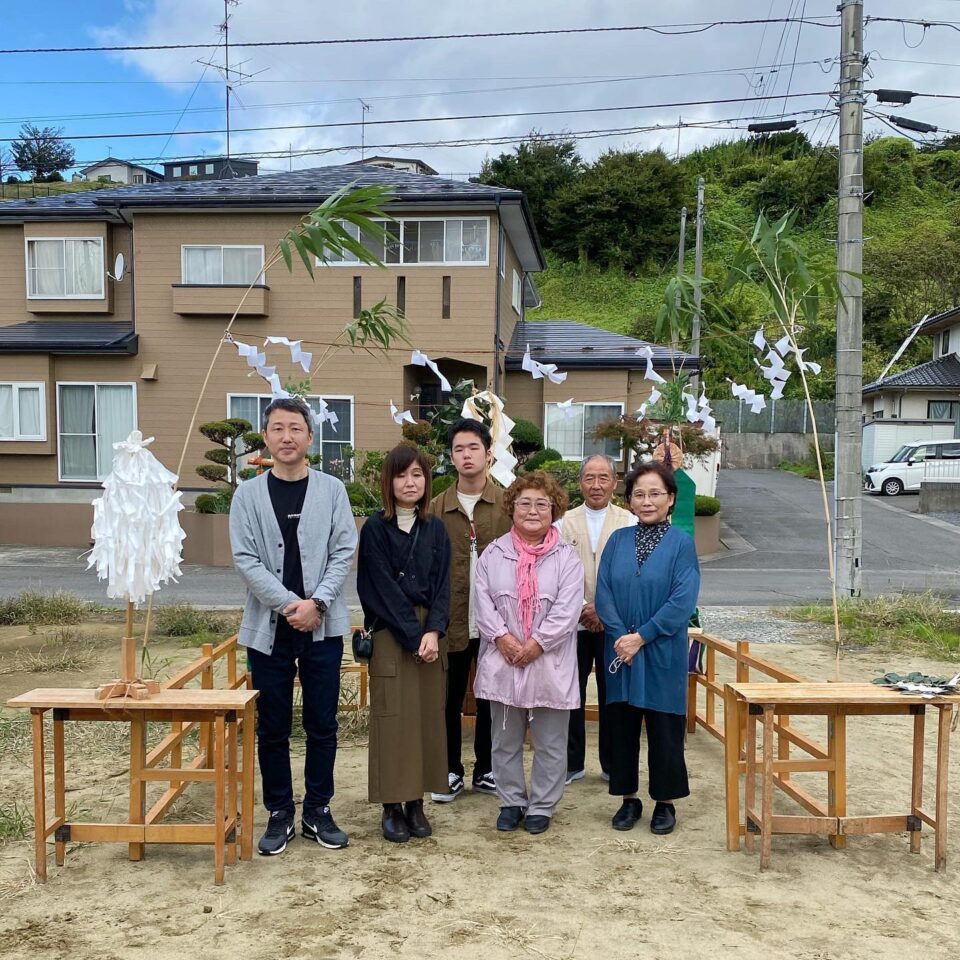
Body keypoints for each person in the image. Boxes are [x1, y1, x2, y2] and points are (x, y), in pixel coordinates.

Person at [229, 396, 357, 856]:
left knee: (324, 722)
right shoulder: (248, 493)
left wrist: (318, 603)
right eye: (278, 428)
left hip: (323, 626)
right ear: (265, 437)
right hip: (270, 629)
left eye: (295, 428)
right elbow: (245, 558)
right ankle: (280, 811)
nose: (287, 437)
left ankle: (319, 810)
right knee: (273, 727)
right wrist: (290, 605)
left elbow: (345, 549)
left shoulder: (332, 490)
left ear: (309, 436)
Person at [474, 471, 584, 835]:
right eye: (525, 503)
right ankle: (511, 801)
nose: (533, 510)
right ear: (512, 508)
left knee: (551, 741)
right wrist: (502, 638)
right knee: (504, 738)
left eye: (542, 503)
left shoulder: (567, 556)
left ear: (554, 510)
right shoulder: (494, 552)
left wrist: (537, 644)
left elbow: (568, 610)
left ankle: (541, 805)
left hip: (549, 660)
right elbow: (483, 600)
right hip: (502, 657)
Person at [595, 461, 700, 836]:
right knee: (621, 727)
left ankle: (665, 802)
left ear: (670, 499)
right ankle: (628, 798)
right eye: (639, 494)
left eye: (655, 493)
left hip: (661, 652)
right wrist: (622, 635)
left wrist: (643, 636)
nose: (647, 500)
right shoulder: (618, 541)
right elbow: (603, 591)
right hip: (620, 651)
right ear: (629, 500)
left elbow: (682, 600)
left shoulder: (682, 544)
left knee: (664, 728)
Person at [357, 445, 452, 843]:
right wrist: (415, 637)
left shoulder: (436, 529)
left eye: (417, 474)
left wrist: (433, 631)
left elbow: (446, 585)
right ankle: (392, 806)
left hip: (430, 633)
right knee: (392, 720)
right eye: (401, 475)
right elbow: (379, 589)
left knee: (428, 719)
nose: (410, 482)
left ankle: (417, 803)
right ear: (388, 482)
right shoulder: (376, 529)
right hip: (391, 634)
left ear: (427, 481)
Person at [429, 418, 512, 803]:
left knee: (491, 696)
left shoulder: (508, 506)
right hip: (450, 621)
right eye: (459, 449)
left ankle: (488, 768)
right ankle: (449, 768)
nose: (466, 455)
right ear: (451, 457)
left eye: (473, 448)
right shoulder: (435, 509)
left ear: (489, 454)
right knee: (446, 697)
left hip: (498, 622)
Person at [556, 454, 636, 785]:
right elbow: (556, 572)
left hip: (614, 624)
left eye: (603, 477)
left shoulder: (629, 521)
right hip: (572, 624)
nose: (596, 484)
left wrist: (602, 609)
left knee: (612, 694)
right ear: (580, 483)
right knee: (570, 693)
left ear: (614, 483)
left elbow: (633, 575)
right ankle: (571, 763)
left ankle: (612, 763)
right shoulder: (562, 522)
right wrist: (581, 607)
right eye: (589, 477)